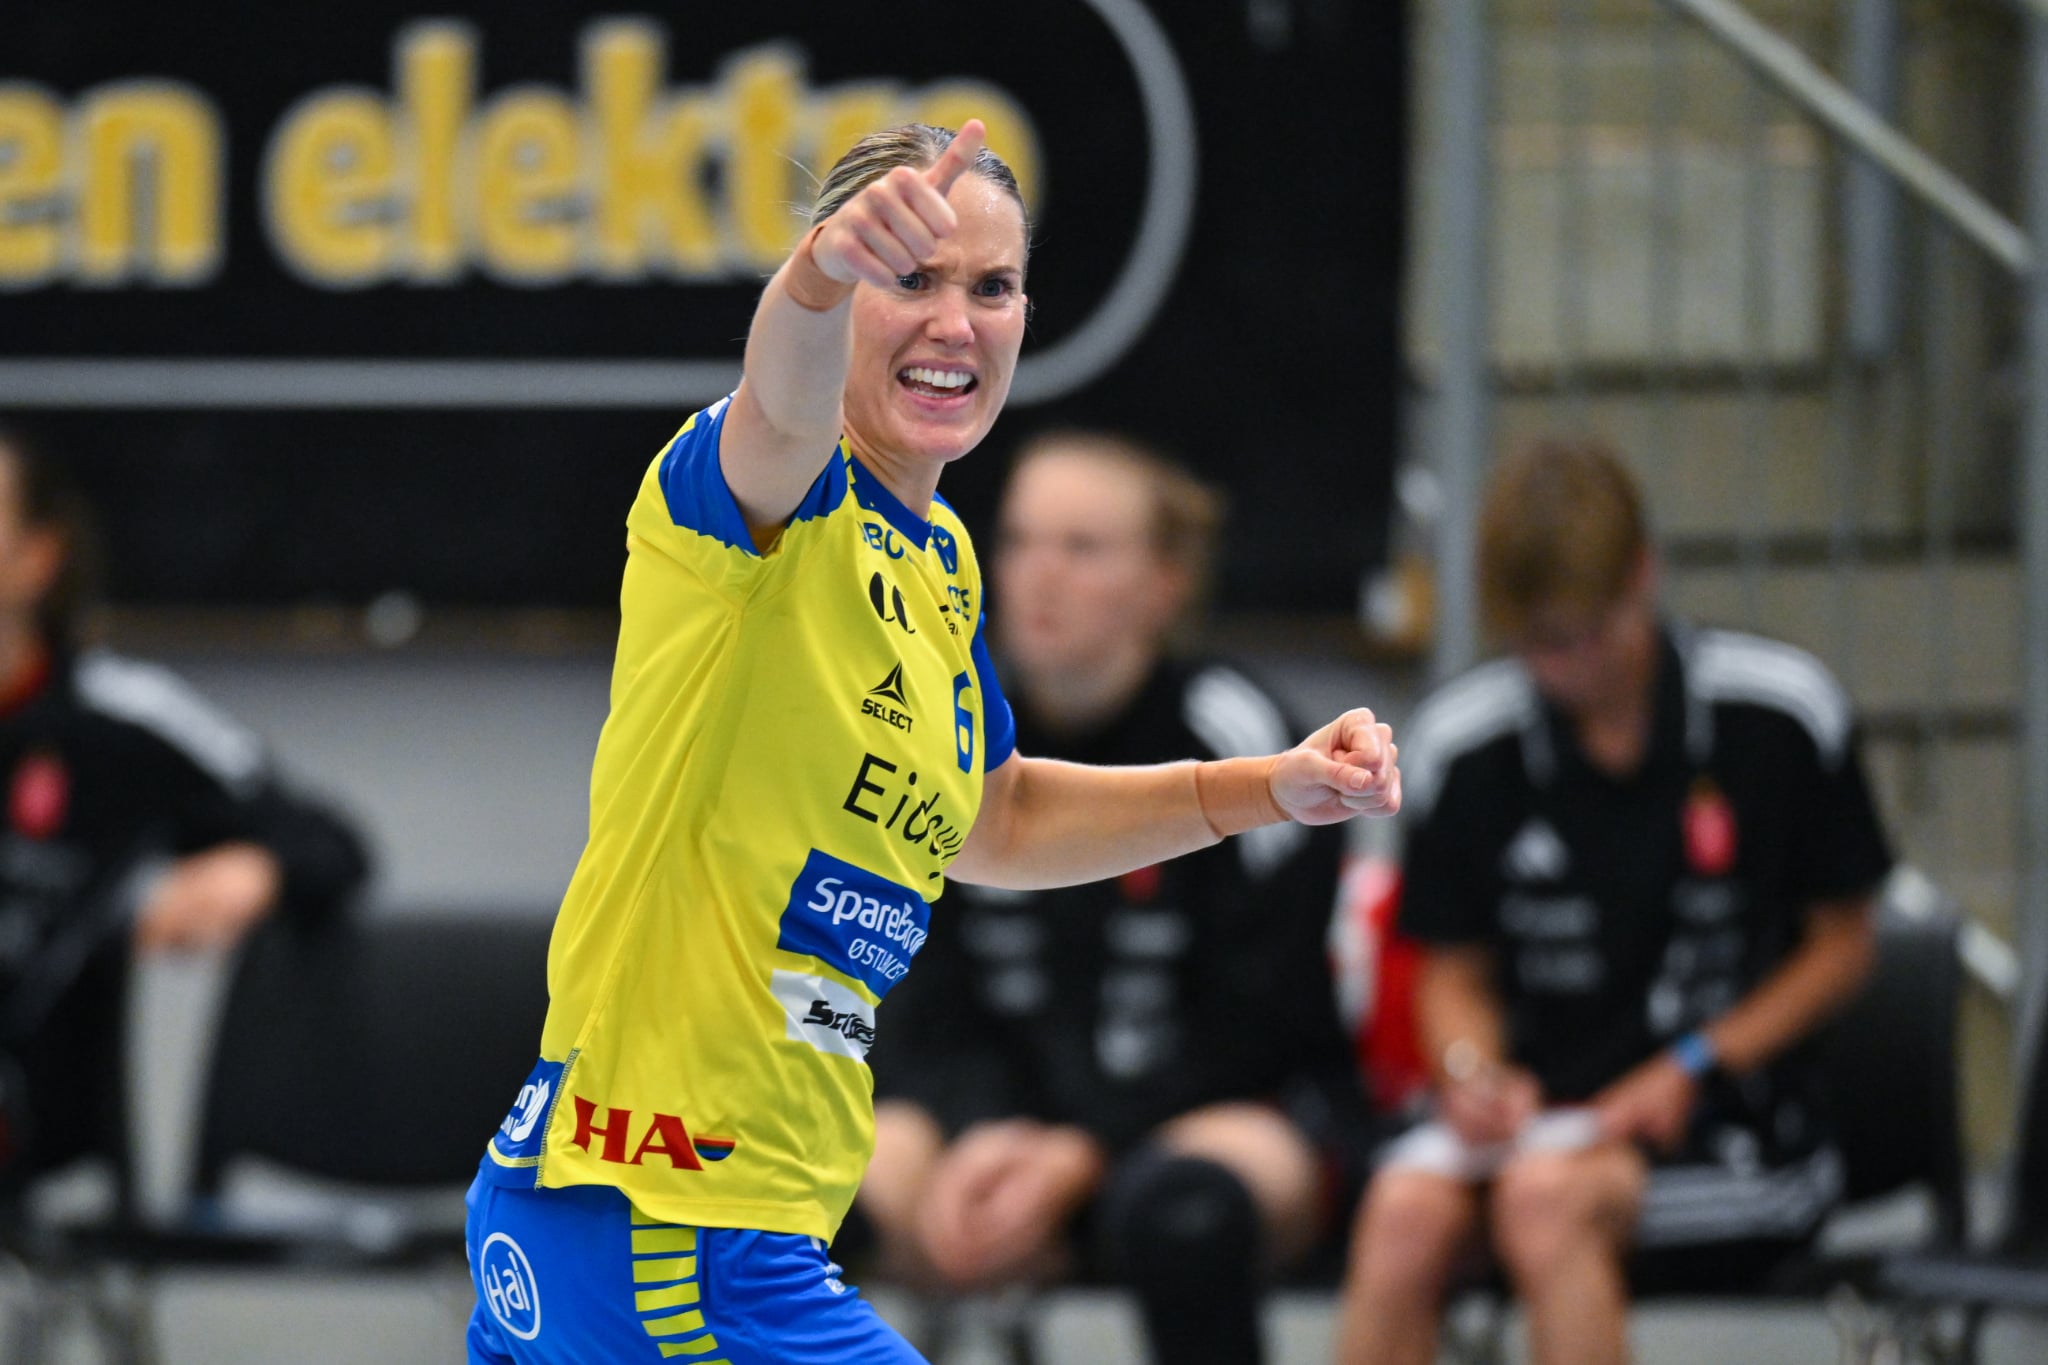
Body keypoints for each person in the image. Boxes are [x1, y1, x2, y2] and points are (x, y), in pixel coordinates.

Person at [463, 121, 1402, 1365]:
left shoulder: (941, 563)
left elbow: (998, 818)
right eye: (909, 278)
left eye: (991, 288)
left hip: (700, 1222)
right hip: (664, 1221)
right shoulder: (763, 495)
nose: (955, 323)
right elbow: (779, 393)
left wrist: (1267, 788)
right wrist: (816, 278)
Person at [1335, 436, 1892, 1365]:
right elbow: (1452, 974)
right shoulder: (1461, 747)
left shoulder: (1780, 716)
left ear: (1642, 575)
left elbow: (1845, 945)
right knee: (1403, 1210)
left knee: (1545, 1201)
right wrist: (1472, 1072)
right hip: (1542, 1124)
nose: (1565, 667)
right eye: (1537, 643)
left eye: (1587, 632)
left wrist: (1694, 1063)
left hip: (1736, 1133)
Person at [851, 431, 1367, 1364]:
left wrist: (1085, 1150)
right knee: (800, 1186)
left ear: (1166, 583)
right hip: (998, 1122)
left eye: (1082, 548)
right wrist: (986, 1134)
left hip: (1205, 1110)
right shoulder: (941, 728)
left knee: (1182, 1213)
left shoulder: (1246, 741)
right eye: (1019, 541)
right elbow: (913, 990)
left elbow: (1262, 1022)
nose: (1039, 577)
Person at [0, 423, 370, 1202]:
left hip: (41, 1158)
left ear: (38, 556)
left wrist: (257, 866)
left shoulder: (119, 719)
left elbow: (328, 840)